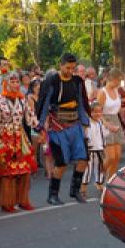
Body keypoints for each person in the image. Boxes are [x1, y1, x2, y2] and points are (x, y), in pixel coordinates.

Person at [36, 53, 90, 205]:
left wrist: (85, 121)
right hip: (57, 128)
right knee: (61, 163)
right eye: (68, 68)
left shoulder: (77, 81)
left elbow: (80, 101)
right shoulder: (51, 81)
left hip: (75, 126)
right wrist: (40, 126)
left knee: (84, 159)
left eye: (73, 68)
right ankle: (52, 195)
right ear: (61, 65)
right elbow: (44, 104)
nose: (70, 71)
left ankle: (75, 191)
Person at [0, 71, 39, 212]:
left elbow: (30, 117)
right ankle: (7, 202)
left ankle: (23, 200)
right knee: (7, 171)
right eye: (12, 82)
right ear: (6, 83)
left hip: (20, 136)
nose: (16, 84)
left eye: (17, 82)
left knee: (24, 169)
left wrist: (40, 128)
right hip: (4, 136)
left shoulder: (22, 99)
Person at [96, 68, 125, 182]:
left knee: (117, 157)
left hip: (116, 120)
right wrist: (107, 124)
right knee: (110, 157)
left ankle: (110, 181)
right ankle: (99, 176)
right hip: (105, 121)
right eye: (119, 80)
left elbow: (117, 109)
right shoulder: (102, 92)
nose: (120, 83)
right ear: (113, 79)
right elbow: (98, 112)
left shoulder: (117, 90)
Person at [81, 103, 108, 197]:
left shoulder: (100, 123)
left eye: (100, 112)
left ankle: (99, 183)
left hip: (99, 148)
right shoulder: (87, 123)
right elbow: (84, 136)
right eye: (95, 112)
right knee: (87, 169)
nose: (97, 114)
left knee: (100, 167)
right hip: (90, 148)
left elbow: (104, 134)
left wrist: (104, 146)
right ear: (90, 112)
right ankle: (83, 187)